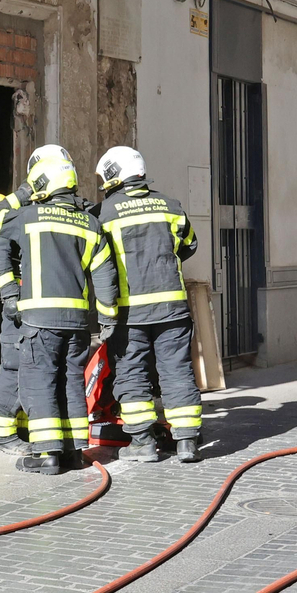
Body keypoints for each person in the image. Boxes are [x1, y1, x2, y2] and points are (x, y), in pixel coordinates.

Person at [0, 151, 119, 475]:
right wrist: (107, 318)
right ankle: (74, 452)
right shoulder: (89, 224)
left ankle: (47, 454)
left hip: (39, 321)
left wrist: (22, 193)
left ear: (42, 183)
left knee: (40, 382)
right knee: (70, 383)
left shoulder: (29, 216)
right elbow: (105, 273)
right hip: (77, 324)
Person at [92, 147, 203, 463]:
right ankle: (186, 442)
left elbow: (101, 263)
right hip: (173, 308)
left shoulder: (105, 213)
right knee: (177, 370)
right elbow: (188, 244)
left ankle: (143, 442)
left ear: (114, 174)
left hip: (131, 311)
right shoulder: (170, 205)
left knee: (131, 372)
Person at [0, 145, 73, 455]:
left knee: (39, 367)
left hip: (43, 301)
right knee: (15, 363)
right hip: (19, 300)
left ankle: (30, 429)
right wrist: (26, 191)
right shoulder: (13, 204)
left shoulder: (49, 205)